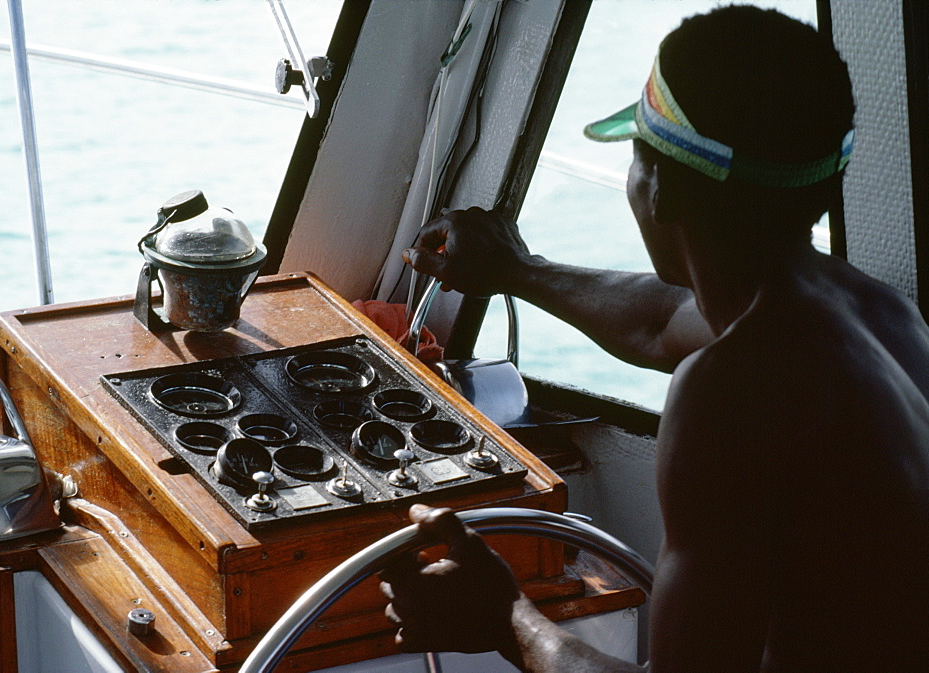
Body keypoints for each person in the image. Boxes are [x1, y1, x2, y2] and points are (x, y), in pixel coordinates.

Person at [380, 5, 929, 672]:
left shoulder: (734, 388)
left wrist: (507, 617)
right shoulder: (882, 318)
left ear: (658, 185)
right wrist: (516, 270)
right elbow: (660, 318)